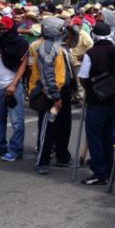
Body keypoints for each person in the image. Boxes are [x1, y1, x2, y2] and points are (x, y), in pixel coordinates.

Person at [78, 22, 115, 185]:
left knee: (95, 137)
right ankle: (109, 169)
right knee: (110, 137)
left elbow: (83, 77)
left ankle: (100, 172)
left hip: (96, 101)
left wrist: (92, 89)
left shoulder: (91, 53)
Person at [30, 17, 76, 175]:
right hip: (49, 93)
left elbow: (73, 40)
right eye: (61, 29)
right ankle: (42, 161)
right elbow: (48, 77)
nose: (64, 31)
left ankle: (63, 157)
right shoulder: (47, 48)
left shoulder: (58, 45)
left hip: (62, 91)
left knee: (64, 127)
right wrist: (56, 98)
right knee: (48, 129)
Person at [0, 16, 29, 162]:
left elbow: (23, 65)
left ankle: (16, 150)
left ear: (11, 28)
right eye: (0, 28)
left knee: (16, 121)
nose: (2, 31)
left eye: (5, 28)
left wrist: (14, 84)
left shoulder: (21, 43)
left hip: (12, 88)